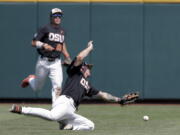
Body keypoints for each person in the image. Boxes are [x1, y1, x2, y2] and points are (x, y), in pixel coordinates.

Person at [10, 41, 139, 131]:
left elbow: (103, 95)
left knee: (90, 126)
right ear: (83, 67)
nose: (90, 70)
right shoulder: (75, 72)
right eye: (88, 67)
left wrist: (119, 100)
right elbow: (79, 57)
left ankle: (69, 126)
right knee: (52, 116)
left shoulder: (87, 86)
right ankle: (22, 109)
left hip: (70, 110)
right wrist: (89, 48)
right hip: (64, 102)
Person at [21, 8, 72, 103]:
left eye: (59, 16)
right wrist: (43, 45)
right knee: (37, 88)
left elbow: (62, 44)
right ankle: (31, 79)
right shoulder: (45, 28)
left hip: (56, 62)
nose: (58, 18)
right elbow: (33, 42)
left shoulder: (62, 31)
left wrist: (67, 56)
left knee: (58, 86)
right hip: (43, 62)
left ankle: (55, 109)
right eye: (55, 16)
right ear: (51, 17)